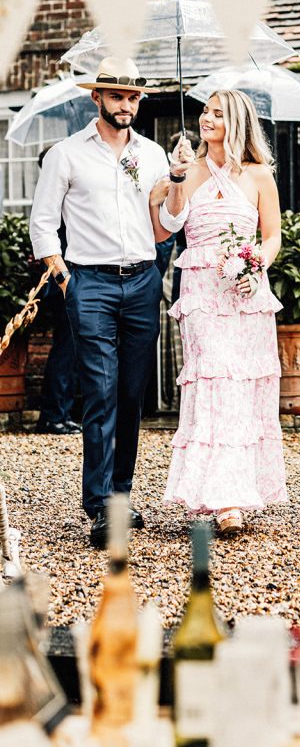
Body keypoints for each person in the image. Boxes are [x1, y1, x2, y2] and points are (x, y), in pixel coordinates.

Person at [29, 57, 177, 548]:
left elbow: (162, 228)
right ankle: (99, 506)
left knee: (132, 394)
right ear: (97, 98)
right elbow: (43, 221)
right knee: (99, 389)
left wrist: (174, 188)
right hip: (88, 283)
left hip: (141, 281)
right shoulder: (67, 155)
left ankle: (122, 494)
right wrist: (61, 271)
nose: (126, 105)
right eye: (117, 96)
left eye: (134, 97)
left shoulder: (154, 154)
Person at [151, 90, 287, 537]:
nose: (207, 118)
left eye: (217, 113)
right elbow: (167, 226)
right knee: (215, 382)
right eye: (205, 111)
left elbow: (272, 238)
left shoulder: (258, 175)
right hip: (202, 292)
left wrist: (255, 266)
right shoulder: (188, 172)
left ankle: (236, 490)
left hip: (246, 292)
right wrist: (175, 178)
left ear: (236, 122)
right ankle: (222, 498)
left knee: (242, 388)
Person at [34, 148, 80, 436]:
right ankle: (53, 416)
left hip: (66, 283)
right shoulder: (56, 200)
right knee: (66, 349)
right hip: (64, 284)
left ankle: (59, 413)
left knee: (69, 349)